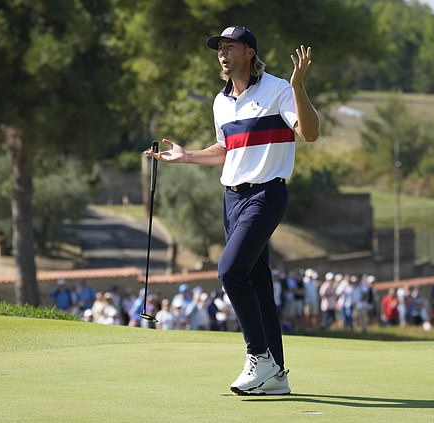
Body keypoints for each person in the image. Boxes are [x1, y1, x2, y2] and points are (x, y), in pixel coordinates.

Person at [146, 25, 319, 395]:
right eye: (219, 48)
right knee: (257, 286)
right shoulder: (221, 102)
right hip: (232, 199)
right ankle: (277, 376)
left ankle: (259, 357)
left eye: (231, 46)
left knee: (229, 270)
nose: (222, 53)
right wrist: (187, 155)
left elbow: (310, 133)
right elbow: (228, 149)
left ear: (250, 53)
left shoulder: (278, 89)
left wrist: (299, 87)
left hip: (266, 195)